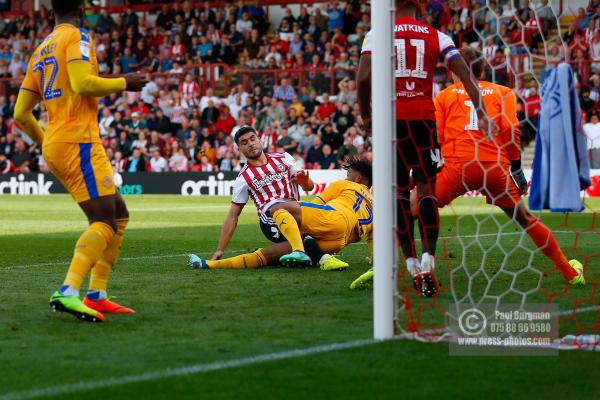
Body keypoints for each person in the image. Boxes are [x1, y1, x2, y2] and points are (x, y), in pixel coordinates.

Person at [14, 0, 147, 322]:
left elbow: (20, 115)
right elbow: (82, 84)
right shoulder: (76, 36)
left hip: (58, 141)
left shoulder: (41, 49)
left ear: (52, 11)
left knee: (119, 214)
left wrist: (49, 143)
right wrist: (124, 83)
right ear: (83, 9)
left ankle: (97, 294)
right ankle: (69, 291)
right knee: (103, 221)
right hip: (79, 141)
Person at [355, 0, 495, 295]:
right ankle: (429, 257)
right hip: (422, 121)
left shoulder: (376, 33)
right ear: (419, 7)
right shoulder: (437, 36)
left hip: (390, 122)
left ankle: (409, 263)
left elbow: (364, 76)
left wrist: (367, 116)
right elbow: (467, 75)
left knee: (397, 193)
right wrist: (481, 112)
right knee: (426, 189)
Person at [188, 160, 373, 271]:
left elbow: (316, 205)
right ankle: (207, 265)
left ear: (358, 179)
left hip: (333, 218)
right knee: (270, 256)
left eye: (349, 173)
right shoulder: (374, 204)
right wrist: (373, 259)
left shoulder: (345, 185)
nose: (347, 176)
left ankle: (300, 251)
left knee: (277, 208)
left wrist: (293, 219)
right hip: (341, 241)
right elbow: (373, 238)